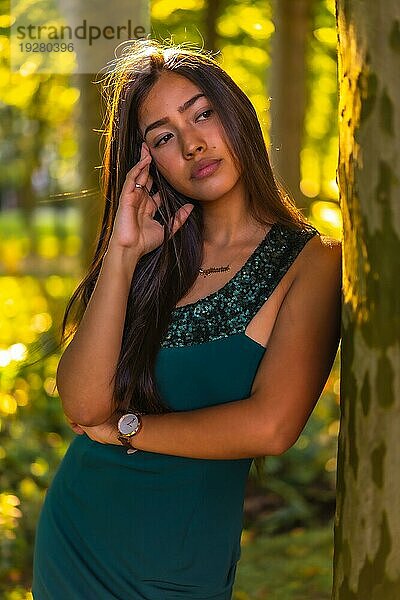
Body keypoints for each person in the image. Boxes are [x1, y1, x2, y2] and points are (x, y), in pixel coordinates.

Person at [32, 38, 342, 599]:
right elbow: (82, 405)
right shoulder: (153, 256)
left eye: (202, 114)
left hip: (178, 568)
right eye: (165, 137)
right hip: (77, 545)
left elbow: (272, 426)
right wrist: (124, 254)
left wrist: (127, 430)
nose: (194, 143)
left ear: (236, 115)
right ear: (149, 163)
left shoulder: (313, 262)